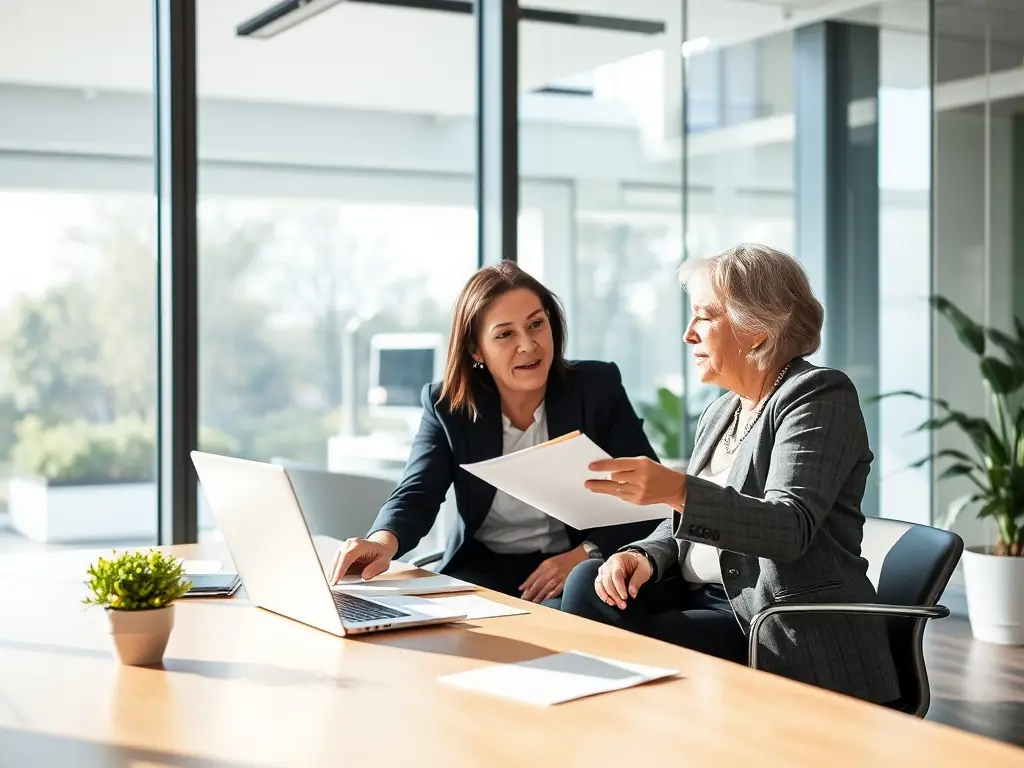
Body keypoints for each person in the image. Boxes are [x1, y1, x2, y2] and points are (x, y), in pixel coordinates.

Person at [559, 243, 901, 705]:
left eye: (704, 316)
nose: (687, 334)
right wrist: (644, 556)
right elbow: (689, 528)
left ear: (756, 330)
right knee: (591, 581)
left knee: (613, 643)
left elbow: (789, 525)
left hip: (771, 621)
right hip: (705, 598)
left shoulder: (818, 396)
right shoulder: (722, 411)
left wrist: (678, 488)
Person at [328, 260, 658, 605]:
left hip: (575, 565)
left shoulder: (596, 387)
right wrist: (381, 543)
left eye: (536, 324)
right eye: (505, 334)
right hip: (481, 568)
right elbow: (418, 493)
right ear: (476, 350)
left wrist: (587, 552)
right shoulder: (447, 406)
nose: (528, 345)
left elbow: (648, 497)